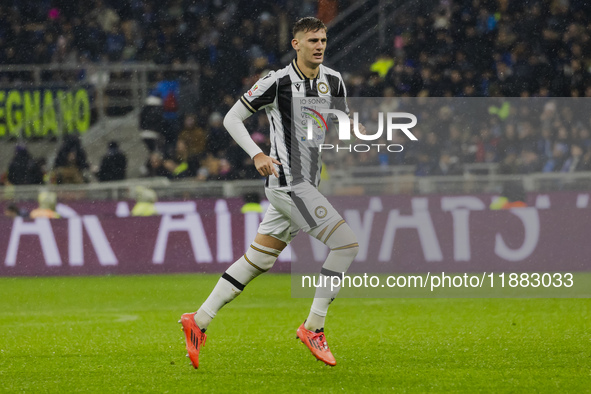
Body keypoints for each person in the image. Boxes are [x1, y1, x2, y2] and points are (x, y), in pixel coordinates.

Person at [180, 17, 363, 368]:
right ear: (296, 44)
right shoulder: (276, 82)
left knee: (260, 260)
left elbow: (340, 119)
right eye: (312, 40)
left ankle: (198, 320)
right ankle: (314, 326)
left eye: (323, 39)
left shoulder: (334, 80)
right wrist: (257, 154)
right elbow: (232, 118)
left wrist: (353, 128)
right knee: (346, 244)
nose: (320, 46)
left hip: (308, 184)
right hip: (288, 184)